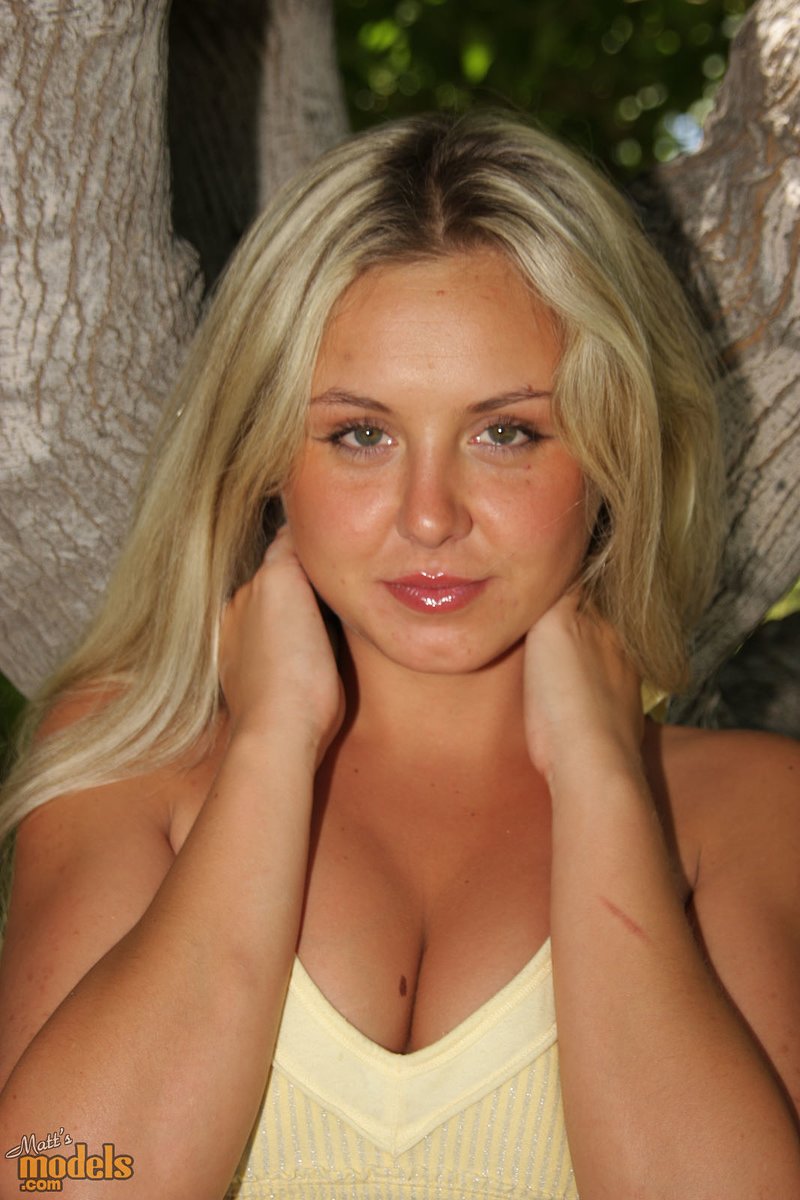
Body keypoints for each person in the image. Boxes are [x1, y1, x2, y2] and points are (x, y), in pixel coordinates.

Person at [0, 111, 798, 1200]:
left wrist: (600, 777)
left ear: (612, 452)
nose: (429, 516)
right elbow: (56, 1181)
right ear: (266, 454)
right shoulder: (125, 758)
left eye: (505, 432)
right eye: (360, 434)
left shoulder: (750, 810)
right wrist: (271, 744)